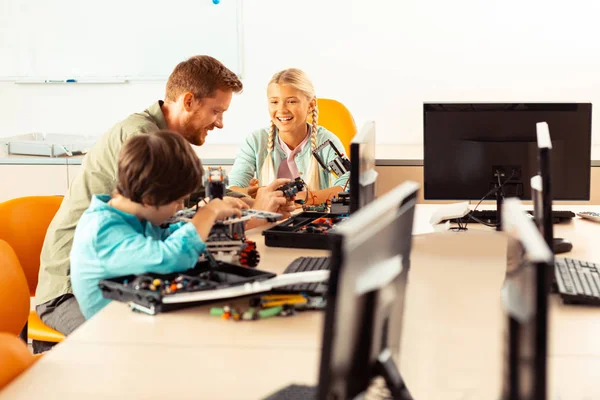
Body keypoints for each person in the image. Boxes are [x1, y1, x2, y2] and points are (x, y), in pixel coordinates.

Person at [34, 55, 288, 348]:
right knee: (134, 346)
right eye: (216, 111)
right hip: (70, 290)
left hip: (127, 272)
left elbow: (193, 200)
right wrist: (252, 210)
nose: (220, 123)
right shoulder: (142, 138)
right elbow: (192, 203)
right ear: (189, 100)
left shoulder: (163, 141)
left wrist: (253, 198)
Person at [71, 131, 247, 319]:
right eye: (178, 202)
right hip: (111, 330)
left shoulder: (135, 216)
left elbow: (167, 236)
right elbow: (168, 258)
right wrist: (207, 214)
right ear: (149, 199)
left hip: (141, 315)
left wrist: (208, 220)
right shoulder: (102, 230)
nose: (180, 208)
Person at [227, 68, 349, 205]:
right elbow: (231, 188)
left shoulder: (325, 144)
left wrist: (300, 197)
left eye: (291, 101)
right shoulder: (255, 141)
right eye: (274, 102)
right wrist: (252, 193)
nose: (282, 110)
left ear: (311, 105)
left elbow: (346, 186)